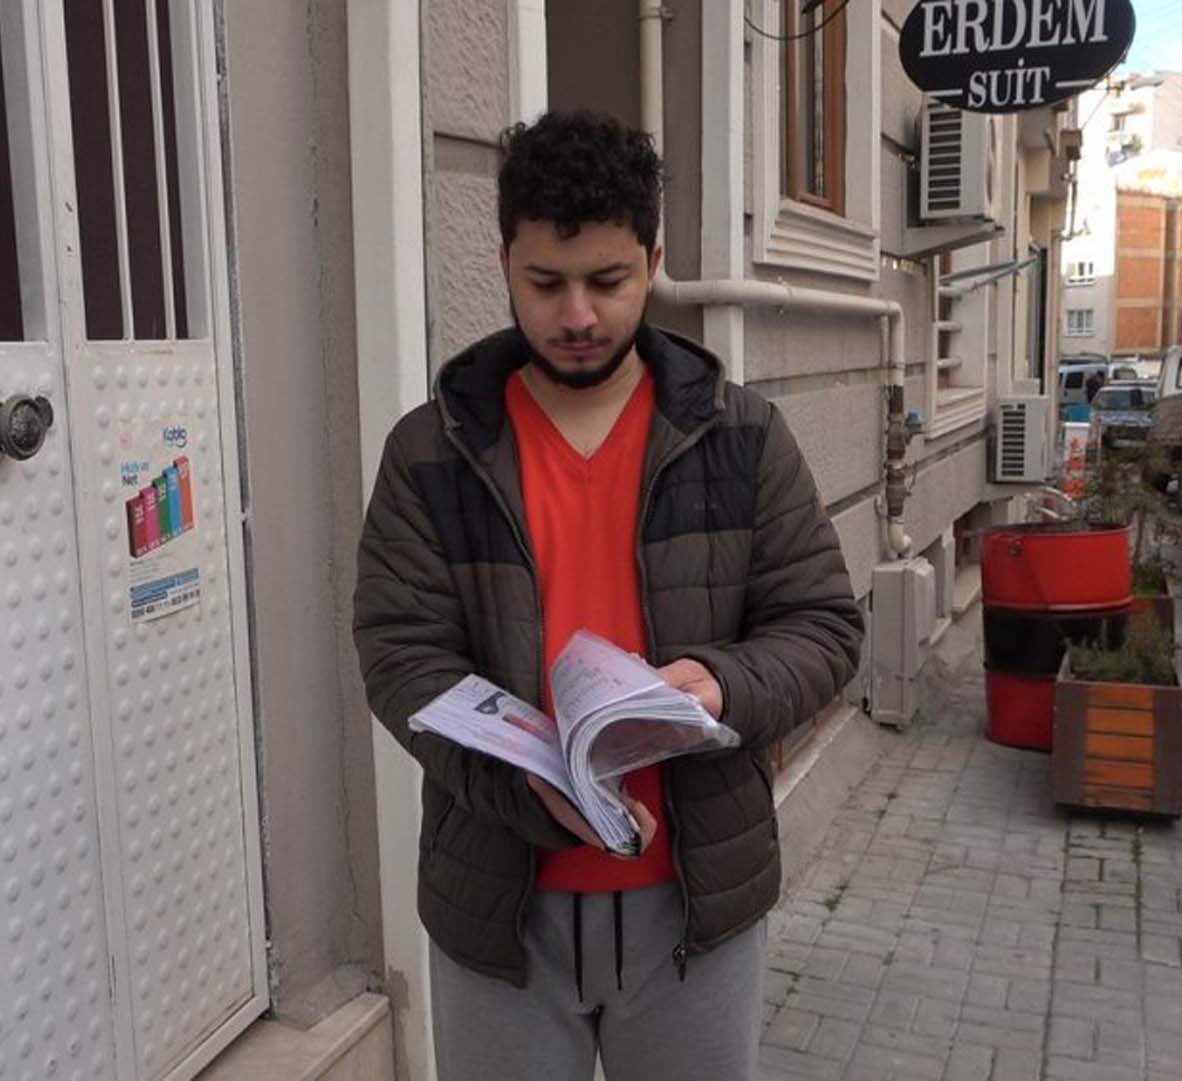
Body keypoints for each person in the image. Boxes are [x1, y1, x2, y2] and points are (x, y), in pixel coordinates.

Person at [352, 110, 864, 1081]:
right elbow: (398, 652)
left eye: (608, 280)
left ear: (654, 260)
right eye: (546, 282)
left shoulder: (739, 438)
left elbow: (825, 628)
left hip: (694, 900)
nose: (577, 314)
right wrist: (519, 778)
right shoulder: (431, 452)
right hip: (499, 904)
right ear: (504, 259)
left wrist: (716, 685)